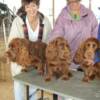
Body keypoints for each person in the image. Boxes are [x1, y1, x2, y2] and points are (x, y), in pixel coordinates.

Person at [48, 0, 98, 100]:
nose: (74, 3)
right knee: (64, 94)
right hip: (67, 64)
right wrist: (59, 54)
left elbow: (96, 38)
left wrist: (94, 57)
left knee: (84, 94)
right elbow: (55, 37)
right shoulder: (63, 16)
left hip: (87, 64)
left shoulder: (89, 14)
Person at [8, 0, 52, 100]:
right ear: (24, 8)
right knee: (20, 90)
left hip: (38, 66)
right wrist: (24, 59)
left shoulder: (45, 21)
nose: (31, 9)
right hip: (21, 65)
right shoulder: (18, 21)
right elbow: (12, 45)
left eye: (33, 6)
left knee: (33, 92)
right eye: (27, 6)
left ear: (37, 6)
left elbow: (49, 43)